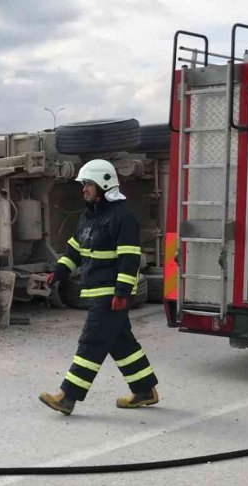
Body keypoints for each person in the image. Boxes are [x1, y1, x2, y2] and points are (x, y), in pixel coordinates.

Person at [39, 159, 159, 416]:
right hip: (95, 292)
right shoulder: (88, 217)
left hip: (110, 295)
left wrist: (122, 293)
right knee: (121, 344)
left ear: (104, 184)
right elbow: (75, 250)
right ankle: (145, 390)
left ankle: (67, 396)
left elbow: (129, 259)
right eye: (84, 185)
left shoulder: (122, 216)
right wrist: (59, 271)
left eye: (88, 185)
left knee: (91, 342)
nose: (84, 190)